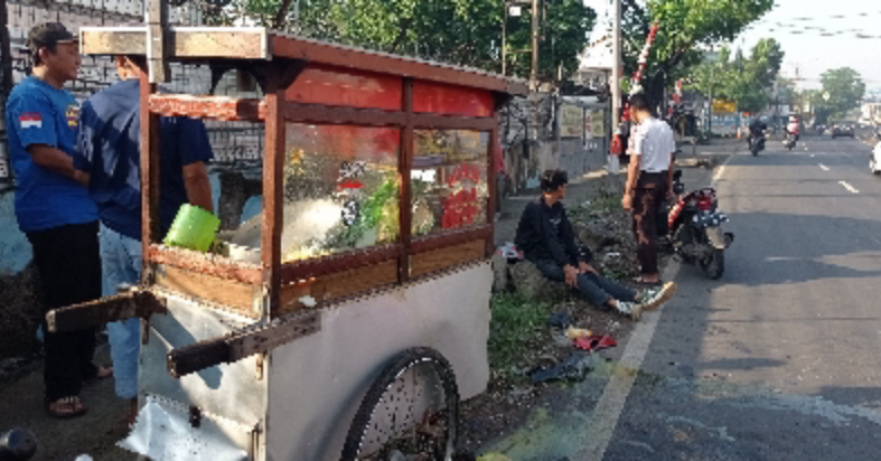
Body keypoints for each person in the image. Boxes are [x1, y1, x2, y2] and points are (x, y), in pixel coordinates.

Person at [74, 54, 214, 426]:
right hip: (166, 237)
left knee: (123, 322)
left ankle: (133, 407)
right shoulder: (178, 105)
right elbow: (195, 176)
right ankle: (173, 409)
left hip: (112, 230)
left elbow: (82, 171)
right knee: (172, 325)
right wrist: (209, 229)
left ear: (122, 60)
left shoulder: (94, 105)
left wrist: (119, 194)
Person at [4, 22, 111, 419]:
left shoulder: (64, 96)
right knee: (64, 301)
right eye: (70, 50)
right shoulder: (28, 95)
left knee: (87, 295)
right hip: (52, 215)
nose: (78, 59)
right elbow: (43, 153)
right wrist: (88, 175)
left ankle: (82, 366)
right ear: (43, 53)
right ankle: (60, 388)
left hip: (81, 212)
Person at [515, 170, 677, 320]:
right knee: (576, 276)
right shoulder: (536, 208)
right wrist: (566, 265)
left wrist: (578, 260)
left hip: (553, 252)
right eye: (564, 186)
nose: (565, 189)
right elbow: (549, 239)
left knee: (589, 272)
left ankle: (637, 297)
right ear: (558, 188)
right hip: (538, 256)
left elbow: (567, 236)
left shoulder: (557, 207)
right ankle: (616, 305)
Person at [622, 94, 676, 286]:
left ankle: (650, 274)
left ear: (634, 110)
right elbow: (670, 160)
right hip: (661, 179)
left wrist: (628, 192)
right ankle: (651, 265)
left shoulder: (640, 130)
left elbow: (635, 162)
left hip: (646, 183)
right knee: (653, 224)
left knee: (643, 229)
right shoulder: (665, 127)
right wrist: (669, 186)